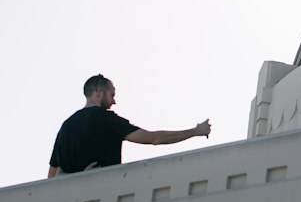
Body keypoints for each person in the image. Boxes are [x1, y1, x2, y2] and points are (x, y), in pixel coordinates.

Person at [48, 74, 211, 176]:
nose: (114, 101)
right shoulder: (105, 119)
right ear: (99, 91)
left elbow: (52, 175)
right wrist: (196, 131)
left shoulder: (66, 126)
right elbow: (154, 138)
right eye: (112, 95)